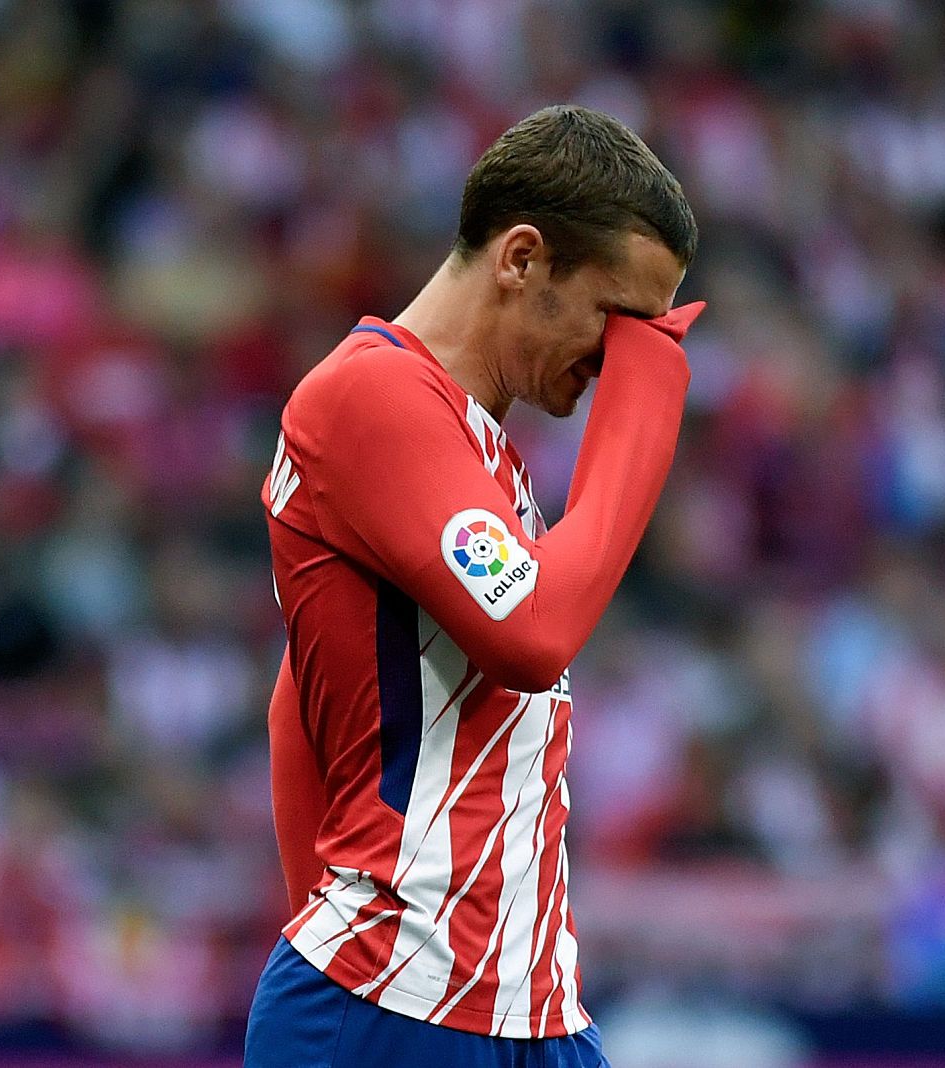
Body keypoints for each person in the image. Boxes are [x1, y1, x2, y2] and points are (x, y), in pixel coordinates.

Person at [245, 104, 702, 1067]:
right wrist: (645, 413)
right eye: (623, 322)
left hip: (528, 1013)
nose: (626, 358)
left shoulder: (471, 441)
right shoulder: (371, 396)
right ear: (523, 258)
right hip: (389, 1011)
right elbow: (532, 637)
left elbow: (303, 706)